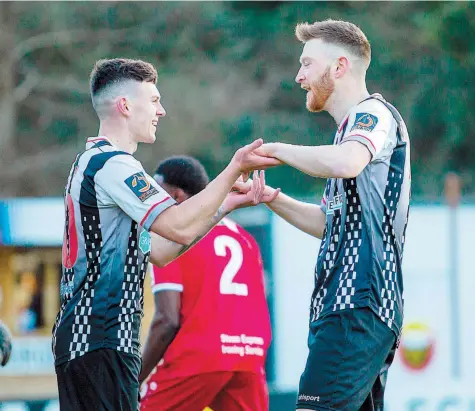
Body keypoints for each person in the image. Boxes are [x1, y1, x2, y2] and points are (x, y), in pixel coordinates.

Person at [52, 58, 279, 411]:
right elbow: (176, 223)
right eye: (154, 99)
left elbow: (160, 249)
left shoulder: (99, 164)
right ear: (125, 106)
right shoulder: (114, 164)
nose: (162, 110)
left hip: (96, 340)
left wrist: (224, 207)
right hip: (99, 338)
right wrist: (234, 167)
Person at [250, 20, 412, 410]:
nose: (298, 76)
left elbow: (348, 162)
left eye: (307, 64)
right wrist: (272, 197)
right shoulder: (346, 134)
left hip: (357, 305)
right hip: (352, 308)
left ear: (339, 67)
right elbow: (328, 223)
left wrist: (276, 150)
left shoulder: (371, 115)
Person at [139, 155, 277, 411]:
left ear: (178, 196)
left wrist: (134, 377)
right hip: (249, 355)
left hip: (199, 357)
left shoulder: (175, 238)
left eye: (158, 193)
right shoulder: (245, 239)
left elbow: (167, 320)